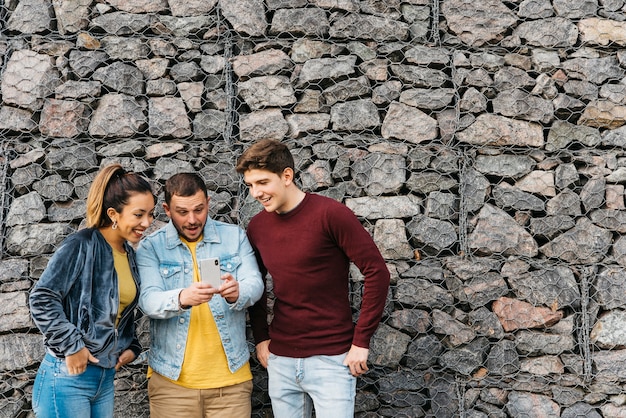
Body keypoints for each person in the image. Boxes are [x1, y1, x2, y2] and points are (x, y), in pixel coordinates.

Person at [235, 139, 391, 418]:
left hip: (332, 359)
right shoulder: (257, 227)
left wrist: (361, 341)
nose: (256, 193)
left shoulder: (330, 214)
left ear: (286, 176)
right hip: (281, 360)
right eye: (250, 186)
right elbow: (255, 284)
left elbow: (377, 272)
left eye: (262, 182)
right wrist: (261, 338)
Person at [29, 164, 156, 418]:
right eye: (139, 214)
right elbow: (42, 298)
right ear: (114, 214)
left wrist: (130, 346)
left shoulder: (129, 254)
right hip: (67, 376)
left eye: (151, 214)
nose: (147, 223)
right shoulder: (82, 244)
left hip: (104, 379)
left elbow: (120, 312)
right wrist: (72, 346)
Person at [136, 172, 263, 418]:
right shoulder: (151, 246)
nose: (192, 219)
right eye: (182, 212)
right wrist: (182, 297)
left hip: (231, 383)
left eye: (199, 209)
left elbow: (255, 284)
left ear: (208, 202)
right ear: (167, 209)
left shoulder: (234, 236)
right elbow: (148, 301)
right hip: (172, 384)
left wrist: (237, 293)